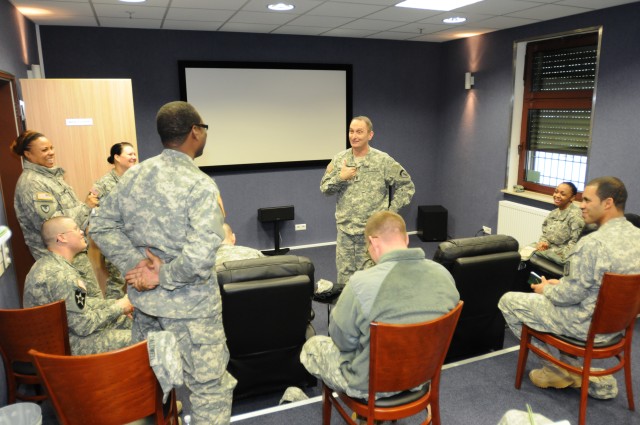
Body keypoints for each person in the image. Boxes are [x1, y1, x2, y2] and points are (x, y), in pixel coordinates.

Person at [89, 101, 236, 425]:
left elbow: (100, 226)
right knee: (209, 392)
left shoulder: (133, 177)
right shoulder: (199, 184)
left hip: (146, 308)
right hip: (192, 311)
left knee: (150, 390)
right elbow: (201, 253)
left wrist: (138, 267)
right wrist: (160, 274)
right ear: (195, 133)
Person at [499, 176, 640, 400]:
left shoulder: (592, 243)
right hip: (617, 328)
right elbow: (595, 284)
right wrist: (561, 283)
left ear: (608, 203)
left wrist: (546, 288)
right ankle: (579, 371)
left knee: (508, 301)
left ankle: (557, 370)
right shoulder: (637, 236)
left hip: (582, 325)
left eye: (586, 200)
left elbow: (567, 297)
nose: (581, 205)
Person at [300, 211, 459, 399]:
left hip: (371, 387)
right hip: (422, 377)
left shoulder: (361, 284)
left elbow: (341, 340)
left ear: (373, 242)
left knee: (312, 346)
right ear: (406, 239)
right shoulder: (443, 275)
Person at [320, 116, 415, 287]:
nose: (354, 136)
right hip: (345, 233)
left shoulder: (382, 160)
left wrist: (389, 213)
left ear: (370, 135)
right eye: (351, 131)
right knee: (345, 283)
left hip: (372, 235)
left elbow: (407, 186)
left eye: (359, 132)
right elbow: (325, 188)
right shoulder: (339, 159)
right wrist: (340, 178)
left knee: (373, 282)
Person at [11, 130, 102, 298]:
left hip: (73, 255)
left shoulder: (51, 177)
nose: (51, 153)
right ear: (28, 154)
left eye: (51, 148)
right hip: (60, 262)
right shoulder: (32, 183)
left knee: (92, 304)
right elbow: (54, 227)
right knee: (84, 310)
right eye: (44, 150)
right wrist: (85, 207)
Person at [23, 216, 133, 355]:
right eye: (75, 229)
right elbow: (83, 326)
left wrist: (116, 304)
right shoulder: (62, 275)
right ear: (62, 238)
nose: (82, 232)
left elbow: (82, 305)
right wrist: (119, 307)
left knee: (127, 322)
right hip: (60, 347)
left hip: (57, 337)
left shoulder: (48, 264)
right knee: (137, 338)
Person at [92, 142, 138, 299]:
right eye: (129, 154)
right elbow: (92, 207)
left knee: (139, 278)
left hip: (136, 239)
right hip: (116, 240)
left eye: (134, 154)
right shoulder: (104, 184)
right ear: (117, 157)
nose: (134, 157)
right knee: (117, 280)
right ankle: (115, 316)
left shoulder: (137, 179)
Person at [533, 182, 585, 264]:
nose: (557, 196)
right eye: (556, 192)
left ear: (572, 198)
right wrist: (544, 242)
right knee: (526, 252)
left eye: (562, 194)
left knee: (531, 253)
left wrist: (551, 251)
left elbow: (575, 244)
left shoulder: (576, 217)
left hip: (564, 257)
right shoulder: (554, 213)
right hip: (549, 250)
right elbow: (545, 234)